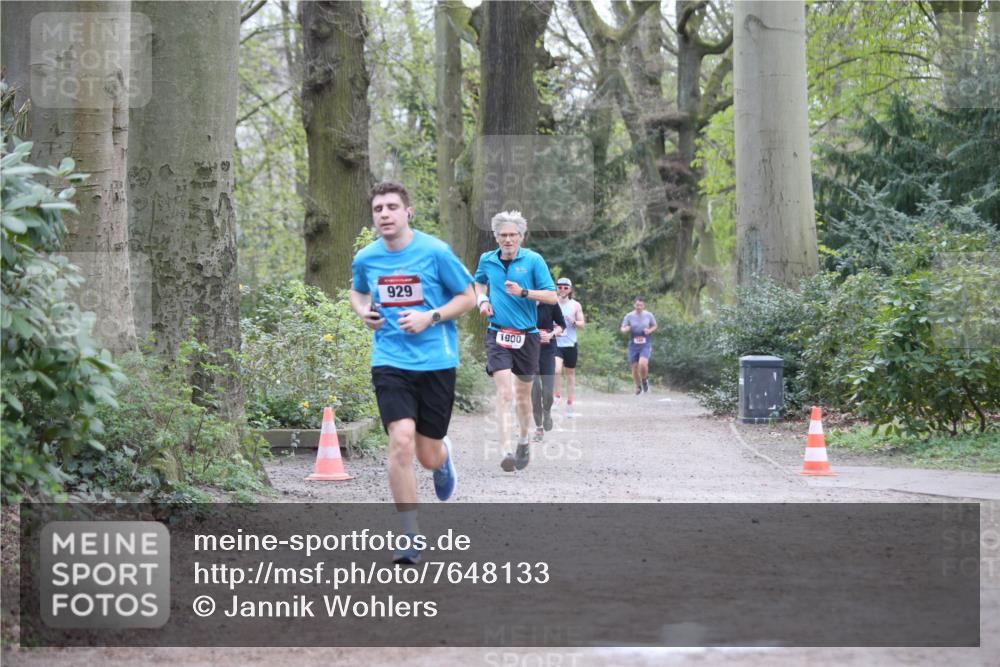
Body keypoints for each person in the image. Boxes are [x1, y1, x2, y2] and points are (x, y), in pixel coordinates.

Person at [350, 181, 475, 564]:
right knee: (400, 441)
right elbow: (357, 292)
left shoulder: (435, 252)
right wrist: (363, 313)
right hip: (389, 360)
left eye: (391, 207)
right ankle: (409, 536)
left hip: (436, 362)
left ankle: (443, 456)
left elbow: (469, 296)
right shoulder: (366, 258)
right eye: (378, 209)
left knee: (427, 455)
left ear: (408, 212)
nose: (384, 214)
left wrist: (429, 316)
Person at [474, 211, 557, 472]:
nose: (508, 239)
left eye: (513, 235)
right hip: (497, 333)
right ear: (496, 237)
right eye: (503, 235)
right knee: (505, 392)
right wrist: (483, 301)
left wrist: (524, 292)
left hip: (528, 336)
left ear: (521, 237)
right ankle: (506, 450)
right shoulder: (487, 260)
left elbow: (552, 297)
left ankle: (523, 440)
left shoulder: (533, 260)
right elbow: (478, 284)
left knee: (522, 397)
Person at [530, 299, 566, 449]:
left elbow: (562, 326)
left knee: (547, 392)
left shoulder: (551, 303)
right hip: (529, 351)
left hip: (548, 351)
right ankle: (539, 428)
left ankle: (547, 412)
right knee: (535, 391)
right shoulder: (524, 302)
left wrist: (551, 334)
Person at [553, 277, 585, 417]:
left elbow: (582, 324)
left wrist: (574, 322)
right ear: (557, 288)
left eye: (565, 287)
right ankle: (557, 396)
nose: (562, 289)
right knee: (556, 369)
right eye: (560, 287)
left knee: (570, 374)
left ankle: (570, 402)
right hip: (556, 343)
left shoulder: (575, 305)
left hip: (570, 344)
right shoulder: (552, 303)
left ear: (570, 290)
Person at [620, 297, 658, 394]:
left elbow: (655, 326)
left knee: (642, 364)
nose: (639, 307)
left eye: (641, 305)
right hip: (633, 343)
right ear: (634, 305)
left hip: (645, 342)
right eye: (637, 305)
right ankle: (638, 386)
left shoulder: (649, 315)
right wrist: (626, 329)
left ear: (644, 306)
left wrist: (649, 331)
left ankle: (644, 380)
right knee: (634, 367)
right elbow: (622, 328)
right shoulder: (629, 316)